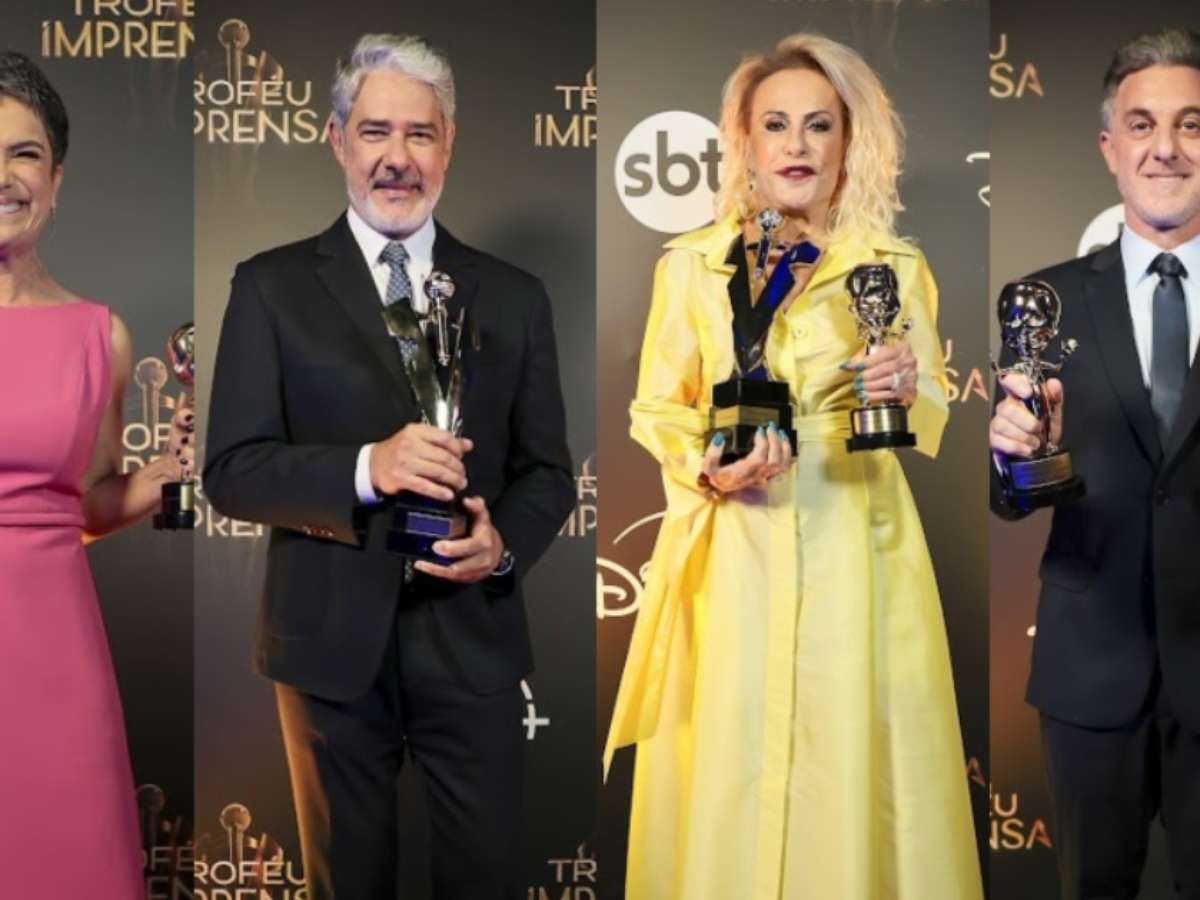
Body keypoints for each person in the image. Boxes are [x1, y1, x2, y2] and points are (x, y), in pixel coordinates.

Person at [603, 33, 982, 900]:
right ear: (744, 139)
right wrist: (710, 469)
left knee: (852, 767)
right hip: (733, 552)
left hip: (862, 547)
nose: (797, 145)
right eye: (775, 124)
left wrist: (905, 382)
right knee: (732, 765)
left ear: (848, 141)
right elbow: (657, 408)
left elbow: (930, 405)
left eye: (819, 125)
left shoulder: (892, 267)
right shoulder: (692, 265)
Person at [204, 33, 574, 900]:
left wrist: (501, 548)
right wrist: (370, 467)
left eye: (419, 134)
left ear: (449, 146)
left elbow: (549, 473)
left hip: (472, 641)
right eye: (375, 132)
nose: (396, 158)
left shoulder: (514, 295)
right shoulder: (269, 287)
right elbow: (232, 470)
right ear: (337, 140)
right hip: (328, 646)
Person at [989, 27, 1200, 899]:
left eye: (1191, 124)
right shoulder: (1042, 301)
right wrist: (1018, 456)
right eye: (1143, 124)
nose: (1167, 147)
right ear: (1111, 147)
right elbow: (1011, 497)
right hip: (1090, 671)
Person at [0, 51, 193, 900]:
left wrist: (159, 478)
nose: (4, 176)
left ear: (57, 179)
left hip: (54, 651)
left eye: (25, 153)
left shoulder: (99, 336)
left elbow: (86, 505)